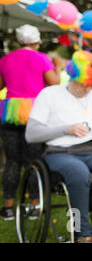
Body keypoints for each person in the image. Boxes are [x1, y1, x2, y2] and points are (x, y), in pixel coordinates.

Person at [25, 50, 92, 243]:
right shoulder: (50, 94)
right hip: (59, 152)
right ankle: (82, 232)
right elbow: (31, 134)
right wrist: (66, 129)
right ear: (74, 76)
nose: (89, 89)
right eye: (85, 84)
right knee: (78, 171)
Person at [0, 24, 62, 221]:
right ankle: (34, 206)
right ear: (36, 42)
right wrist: (58, 67)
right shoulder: (42, 58)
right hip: (35, 112)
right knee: (33, 160)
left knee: (11, 160)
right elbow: (54, 84)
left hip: (10, 112)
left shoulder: (5, 59)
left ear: (19, 41)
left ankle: (8, 207)